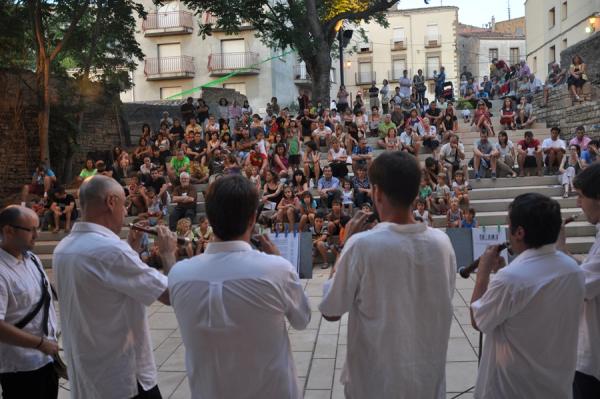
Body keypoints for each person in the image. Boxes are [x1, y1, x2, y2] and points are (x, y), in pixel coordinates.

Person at [319, 151, 456, 398]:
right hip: (427, 380)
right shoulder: (442, 243)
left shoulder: (360, 245)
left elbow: (330, 310)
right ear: (416, 193)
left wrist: (343, 245)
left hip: (375, 383)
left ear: (377, 192)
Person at [168, 175, 310, 398]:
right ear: (253, 218)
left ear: (210, 219)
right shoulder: (277, 269)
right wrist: (280, 261)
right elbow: (302, 319)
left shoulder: (179, 274)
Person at [53, 175, 177, 399]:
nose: (125, 210)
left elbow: (107, 283)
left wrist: (131, 248)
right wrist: (168, 253)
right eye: (124, 203)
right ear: (111, 202)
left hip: (90, 372)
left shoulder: (64, 247)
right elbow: (171, 295)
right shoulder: (110, 250)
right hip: (124, 378)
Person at [470, 193, 585, 398]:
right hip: (555, 386)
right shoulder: (573, 270)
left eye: (509, 224)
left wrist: (483, 273)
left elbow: (478, 320)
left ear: (520, 232)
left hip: (513, 389)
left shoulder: (511, 279)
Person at [0, 206, 59, 399]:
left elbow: (43, 293)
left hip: (47, 360)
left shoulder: (32, 258)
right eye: (31, 230)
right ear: (8, 230)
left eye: (38, 228)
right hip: (21, 368)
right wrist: (40, 343)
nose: (37, 235)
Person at [554, 163, 600, 398]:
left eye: (581, 197)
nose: (578, 204)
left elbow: (578, 285)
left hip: (593, 359)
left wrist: (560, 248)